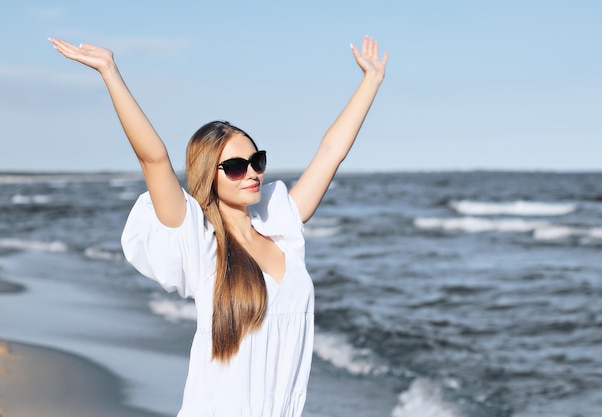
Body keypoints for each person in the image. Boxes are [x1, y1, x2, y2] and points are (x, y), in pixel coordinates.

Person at [49, 35, 387, 417]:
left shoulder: (281, 228)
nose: (252, 174)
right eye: (236, 167)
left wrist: (371, 81)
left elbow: (330, 152)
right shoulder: (202, 245)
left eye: (256, 161)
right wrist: (110, 71)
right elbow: (154, 159)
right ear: (209, 175)